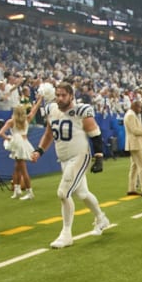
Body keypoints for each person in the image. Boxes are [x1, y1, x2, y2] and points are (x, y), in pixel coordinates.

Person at [30, 82, 110, 248]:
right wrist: (39, 150)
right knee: (82, 193)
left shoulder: (81, 110)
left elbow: (95, 133)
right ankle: (101, 218)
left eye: (63, 95)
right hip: (65, 159)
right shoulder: (52, 110)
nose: (60, 98)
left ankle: (66, 234)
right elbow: (48, 134)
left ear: (71, 96)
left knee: (63, 193)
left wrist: (99, 157)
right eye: (57, 95)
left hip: (80, 156)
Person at [0, 95, 43, 199]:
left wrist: (8, 138)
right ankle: (17, 189)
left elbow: (1, 133)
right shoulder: (27, 119)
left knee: (23, 169)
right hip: (24, 143)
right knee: (17, 168)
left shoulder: (11, 121)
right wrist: (40, 99)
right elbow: (35, 109)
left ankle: (30, 192)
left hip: (17, 144)